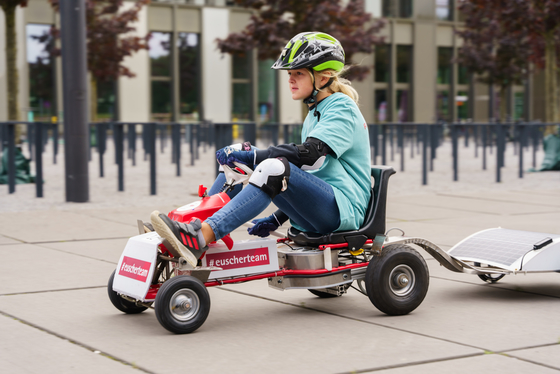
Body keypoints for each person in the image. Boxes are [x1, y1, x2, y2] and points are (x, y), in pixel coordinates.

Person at [151, 32, 371, 267]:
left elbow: (310, 155)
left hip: (345, 210)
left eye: (298, 73)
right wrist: (276, 218)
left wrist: (255, 155)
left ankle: (200, 235)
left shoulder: (341, 107)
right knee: (238, 157)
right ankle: (193, 225)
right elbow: (312, 176)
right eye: (289, 74)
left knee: (272, 167)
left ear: (325, 75)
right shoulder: (316, 112)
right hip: (325, 206)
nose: (290, 80)